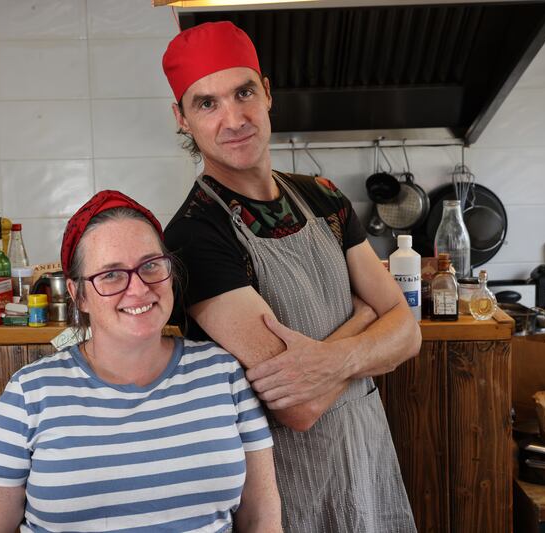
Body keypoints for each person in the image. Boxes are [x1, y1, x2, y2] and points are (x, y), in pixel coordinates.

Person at [162, 21, 422, 532]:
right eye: (207, 103)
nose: (234, 119)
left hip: (366, 457)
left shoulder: (323, 196)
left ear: (267, 93)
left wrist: (330, 360)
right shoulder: (194, 235)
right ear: (182, 119)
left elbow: (408, 331)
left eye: (243, 93)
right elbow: (299, 406)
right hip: (282, 485)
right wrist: (366, 318)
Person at [0, 190, 282, 533]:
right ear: (78, 295)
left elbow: (261, 519)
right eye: (111, 274)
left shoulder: (223, 374)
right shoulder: (29, 395)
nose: (139, 288)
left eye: (151, 265)